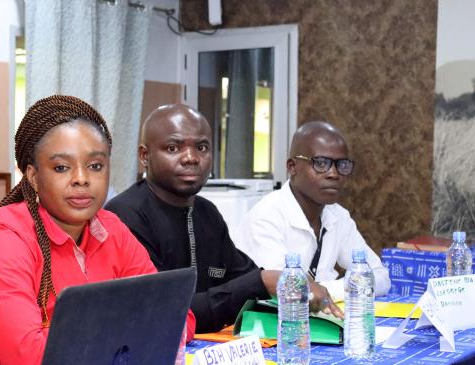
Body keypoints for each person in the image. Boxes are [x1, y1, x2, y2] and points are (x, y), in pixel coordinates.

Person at [0, 95, 195, 365]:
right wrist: (131, 327)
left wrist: (85, 333)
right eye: (61, 167)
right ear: (33, 176)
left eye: (95, 166)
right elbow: (30, 360)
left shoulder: (112, 229)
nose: (81, 179)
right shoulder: (0, 239)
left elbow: (179, 320)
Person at [106, 104, 340, 334]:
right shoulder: (124, 217)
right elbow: (167, 313)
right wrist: (263, 282)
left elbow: (244, 277)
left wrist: (282, 284)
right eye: (173, 148)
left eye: (202, 147)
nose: (191, 158)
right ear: (144, 156)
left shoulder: (206, 213)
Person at [235, 121, 391, 301]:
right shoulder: (266, 217)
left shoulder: (338, 215)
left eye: (341, 165)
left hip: (321, 321)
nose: (334, 174)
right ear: (292, 167)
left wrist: (324, 291)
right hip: (274, 324)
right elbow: (287, 292)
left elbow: (380, 277)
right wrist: (343, 288)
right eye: (321, 163)